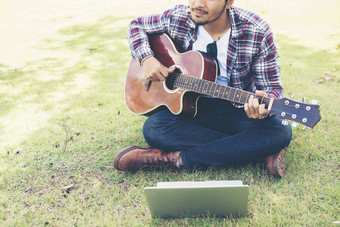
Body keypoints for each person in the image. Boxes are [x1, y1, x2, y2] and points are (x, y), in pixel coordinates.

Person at [114, 0, 292, 177]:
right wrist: (147, 59)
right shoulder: (179, 18)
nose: (198, 4)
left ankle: (177, 160)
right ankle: (255, 150)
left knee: (281, 130)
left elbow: (271, 88)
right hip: (193, 110)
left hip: (238, 110)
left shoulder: (256, 31)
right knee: (154, 128)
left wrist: (261, 105)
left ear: (229, 2)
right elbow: (136, 25)